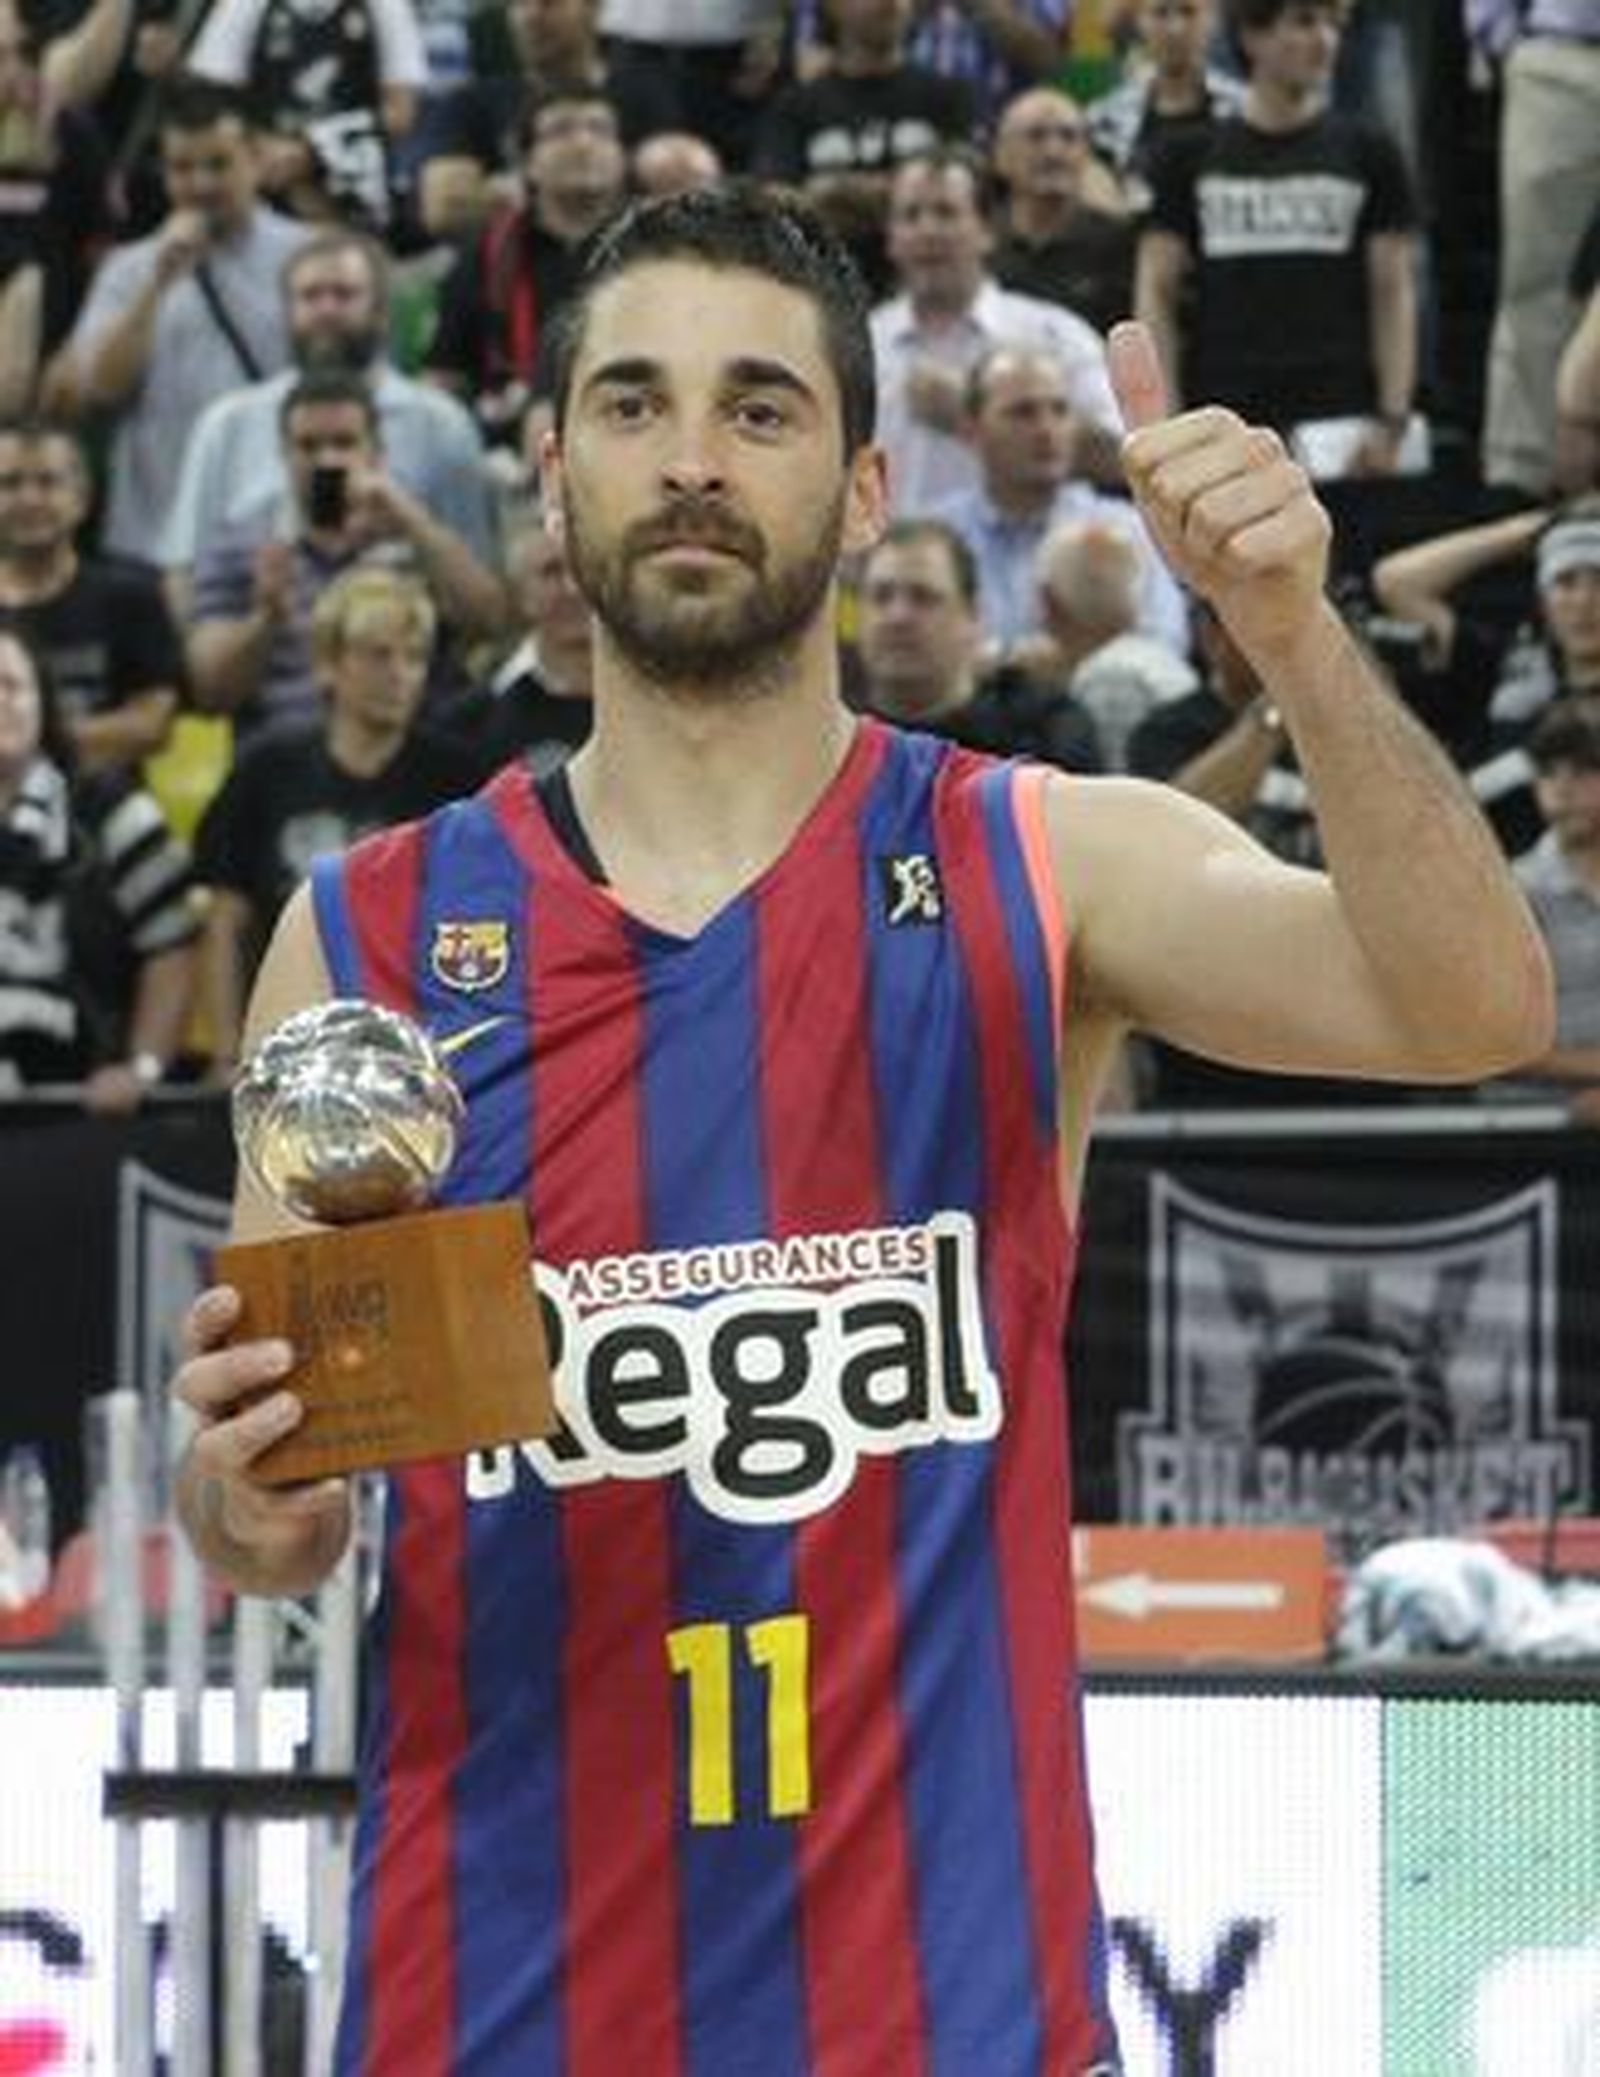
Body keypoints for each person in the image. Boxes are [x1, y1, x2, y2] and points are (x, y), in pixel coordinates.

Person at [171, 186, 1550, 2075]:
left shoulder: (1046, 857)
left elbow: (1478, 1006)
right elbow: (274, 1515)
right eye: (636, 404)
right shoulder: (373, 939)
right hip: (489, 2013)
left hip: (948, 2017)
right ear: (553, 469)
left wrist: (1295, 637)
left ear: (869, 479)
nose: (692, 461)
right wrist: (250, 1489)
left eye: (759, 408)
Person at [194, 565, 482, 1077]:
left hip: (422, 1052)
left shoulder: (459, 779)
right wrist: (226, 1055)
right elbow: (223, 919)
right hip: (287, 1044)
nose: (400, 674)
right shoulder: (266, 769)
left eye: (414, 658)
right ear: (328, 664)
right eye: (378, 655)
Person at [1134, 0, 1419, 469]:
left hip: (1339, 416)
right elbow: (1155, 291)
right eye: (1304, 22)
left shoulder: (1369, 151)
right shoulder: (1189, 156)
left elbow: (1393, 290)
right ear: (1253, 36)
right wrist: (1167, 423)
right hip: (1225, 410)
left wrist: (1393, 416)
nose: (1324, 40)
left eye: (1333, 25)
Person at [63, 77, 310, 566]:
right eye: (181, 168)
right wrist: (157, 284)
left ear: (255, 159)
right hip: (153, 533)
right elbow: (101, 389)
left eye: (218, 164)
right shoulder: (129, 269)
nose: (200, 184)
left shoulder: (307, 258)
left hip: (275, 530)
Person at [185, 367, 506, 736]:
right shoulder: (245, 544)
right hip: (286, 754)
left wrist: (412, 523)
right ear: (283, 453)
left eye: (344, 443)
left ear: (377, 451)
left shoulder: (414, 534)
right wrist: (265, 618)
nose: (327, 461)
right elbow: (208, 690)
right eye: (309, 446)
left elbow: (489, 621)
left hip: (409, 752)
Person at [0, 625, 196, 1108]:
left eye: (12, 685)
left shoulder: (113, 813)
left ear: (43, 701)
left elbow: (173, 946)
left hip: (83, 1115)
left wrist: (142, 1065)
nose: (0, 701)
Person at [0, 418, 186, 776]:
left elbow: (154, 724)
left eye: (48, 482)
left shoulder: (132, 596)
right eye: (10, 484)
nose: (30, 499)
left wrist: (30, 739)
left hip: (102, 807)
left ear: (81, 499)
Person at [853, 514, 1102, 767]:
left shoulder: (1048, 734)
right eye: (881, 596)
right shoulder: (827, 739)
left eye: (923, 597)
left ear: (973, 614)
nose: (898, 616)